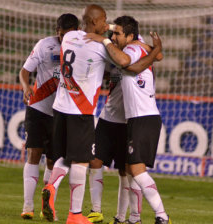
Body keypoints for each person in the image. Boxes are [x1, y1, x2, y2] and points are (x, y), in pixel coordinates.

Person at [41, 4, 162, 224]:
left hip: (69, 109)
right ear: (97, 22)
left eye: (115, 29)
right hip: (92, 113)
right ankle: (83, 213)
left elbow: (132, 51)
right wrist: (110, 42)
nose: (109, 27)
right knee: (86, 161)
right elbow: (126, 64)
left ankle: (126, 216)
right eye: (105, 21)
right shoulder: (104, 48)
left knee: (83, 160)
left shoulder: (69, 37)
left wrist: (111, 33)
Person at [84, 15, 171, 224]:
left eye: (116, 34)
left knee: (135, 171)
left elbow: (130, 66)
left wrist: (103, 40)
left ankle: (160, 216)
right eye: (111, 33)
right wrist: (155, 48)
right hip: (135, 118)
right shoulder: (134, 45)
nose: (112, 36)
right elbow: (127, 70)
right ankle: (134, 219)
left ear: (130, 36)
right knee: (132, 169)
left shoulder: (131, 50)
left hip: (143, 118)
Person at [19, 13, 79, 220]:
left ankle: (48, 203)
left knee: (54, 162)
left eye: (68, 35)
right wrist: (26, 87)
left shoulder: (82, 48)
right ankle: (28, 206)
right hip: (37, 108)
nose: (64, 39)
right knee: (34, 153)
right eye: (61, 35)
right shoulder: (45, 46)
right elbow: (25, 71)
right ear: (57, 32)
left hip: (61, 112)